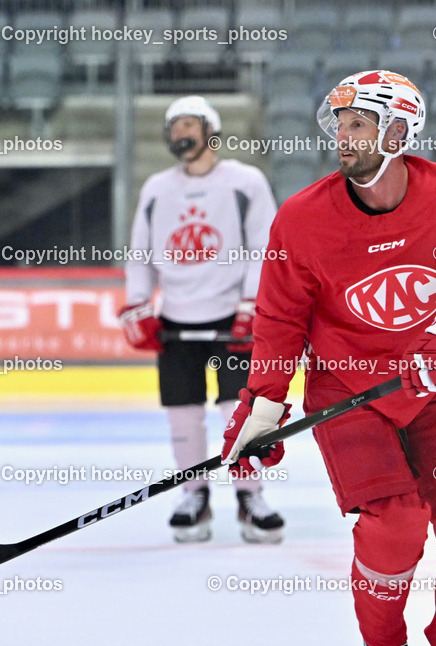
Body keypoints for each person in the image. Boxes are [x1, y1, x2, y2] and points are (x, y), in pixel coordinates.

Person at [220, 71, 436, 646]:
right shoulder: (301, 220)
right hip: (351, 396)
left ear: (398, 130)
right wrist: (263, 405)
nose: (342, 138)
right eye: (339, 125)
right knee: (394, 524)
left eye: (358, 125)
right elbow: (279, 320)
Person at [119, 95, 284, 543]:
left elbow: (263, 247)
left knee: (241, 412)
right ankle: (194, 493)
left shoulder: (245, 182)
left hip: (232, 318)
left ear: (210, 129)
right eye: (173, 127)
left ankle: (251, 495)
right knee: (183, 416)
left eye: (188, 124)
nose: (179, 134)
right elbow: (141, 253)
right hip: (176, 320)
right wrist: (137, 305)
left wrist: (252, 304)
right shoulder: (156, 187)